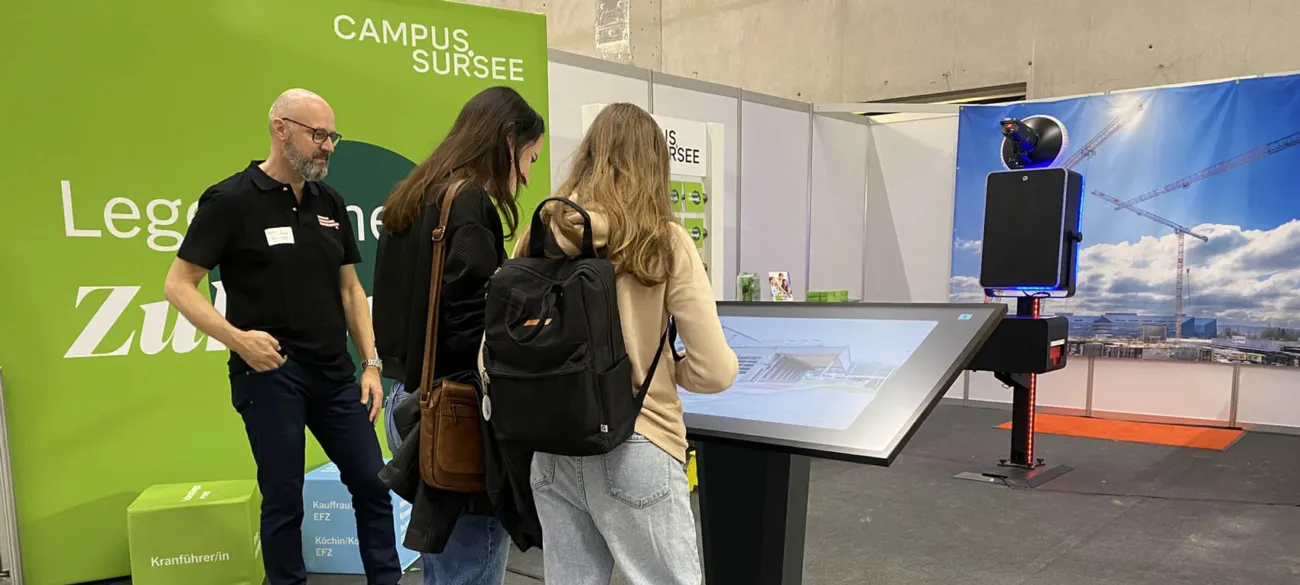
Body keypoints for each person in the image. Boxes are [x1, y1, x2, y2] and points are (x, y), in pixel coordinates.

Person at [163, 88, 400, 585]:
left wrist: (371, 364)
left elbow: (351, 290)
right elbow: (179, 284)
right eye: (319, 135)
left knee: (373, 483)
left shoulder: (329, 202)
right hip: (270, 375)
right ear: (281, 129)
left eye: (332, 136)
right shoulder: (230, 200)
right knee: (284, 498)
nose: (328, 146)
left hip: (334, 374)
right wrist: (238, 339)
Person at [508, 103, 739, 585]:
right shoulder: (663, 240)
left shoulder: (539, 233)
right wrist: (672, 369)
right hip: (639, 437)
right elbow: (715, 370)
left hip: (551, 445)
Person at [371, 85, 545, 585]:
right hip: (454, 412)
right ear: (507, 138)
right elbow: (470, 325)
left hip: (408, 402)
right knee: (470, 571)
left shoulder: (411, 196)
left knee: (446, 571)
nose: (526, 176)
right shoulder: (468, 203)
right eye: (529, 158)